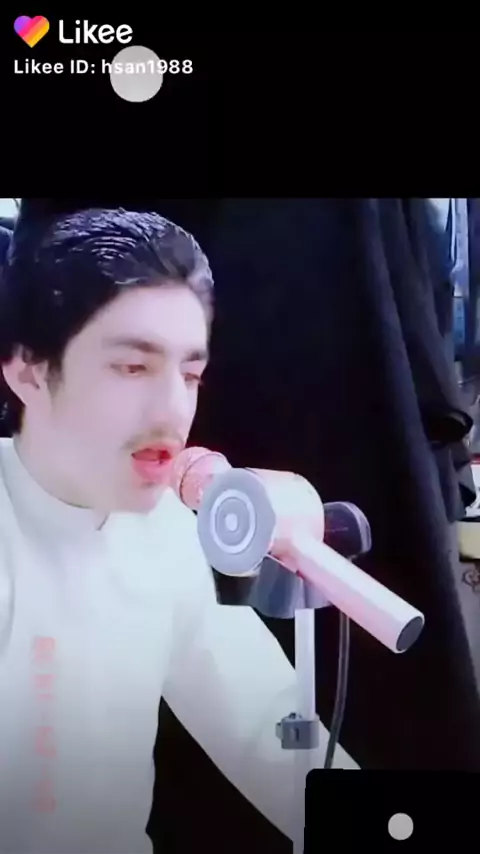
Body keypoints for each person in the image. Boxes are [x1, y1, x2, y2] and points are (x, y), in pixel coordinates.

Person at [0, 208, 358, 854]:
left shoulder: (166, 532)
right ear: (28, 368)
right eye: (133, 368)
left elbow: (268, 733)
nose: (172, 411)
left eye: (190, 376)